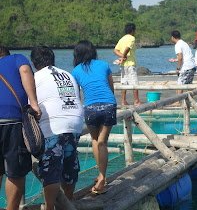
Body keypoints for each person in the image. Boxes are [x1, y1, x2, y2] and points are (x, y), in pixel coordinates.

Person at [30, 46, 84, 210]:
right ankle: (67, 202)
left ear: (34, 63)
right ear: (53, 60)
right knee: (70, 162)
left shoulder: (35, 77)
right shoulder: (67, 74)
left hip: (54, 124)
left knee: (51, 169)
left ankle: (49, 207)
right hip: (75, 121)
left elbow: (30, 104)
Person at [72, 40, 117, 194]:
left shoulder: (76, 71)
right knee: (103, 142)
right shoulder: (104, 65)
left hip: (90, 107)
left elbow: (76, 95)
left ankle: (101, 177)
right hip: (108, 105)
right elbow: (111, 87)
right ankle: (102, 177)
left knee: (95, 140)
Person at [0, 46, 41, 210]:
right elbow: (25, 71)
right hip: (12, 119)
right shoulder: (17, 58)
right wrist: (34, 103)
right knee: (15, 172)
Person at [114, 23, 142, 106]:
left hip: (122, 64)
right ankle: (136, 101)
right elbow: (127, 48)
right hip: (130, 63)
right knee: (134, 82)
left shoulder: (122, 39)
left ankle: (123, 101)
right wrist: (124, 56)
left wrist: (121, 57)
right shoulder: (132, 38)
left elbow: (115, 50)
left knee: (124, 82)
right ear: (132, 31)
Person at [168, 30, 197, 105]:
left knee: (180, 83)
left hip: (187, 66)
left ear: (173, 37)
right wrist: (174, 60)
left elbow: (180, 57)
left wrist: (178, 68)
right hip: (192, 66)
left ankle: (178, 101)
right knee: (189, 84)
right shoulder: (184, 43)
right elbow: (184, 57)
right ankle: (191, 101)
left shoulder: (177, 45)